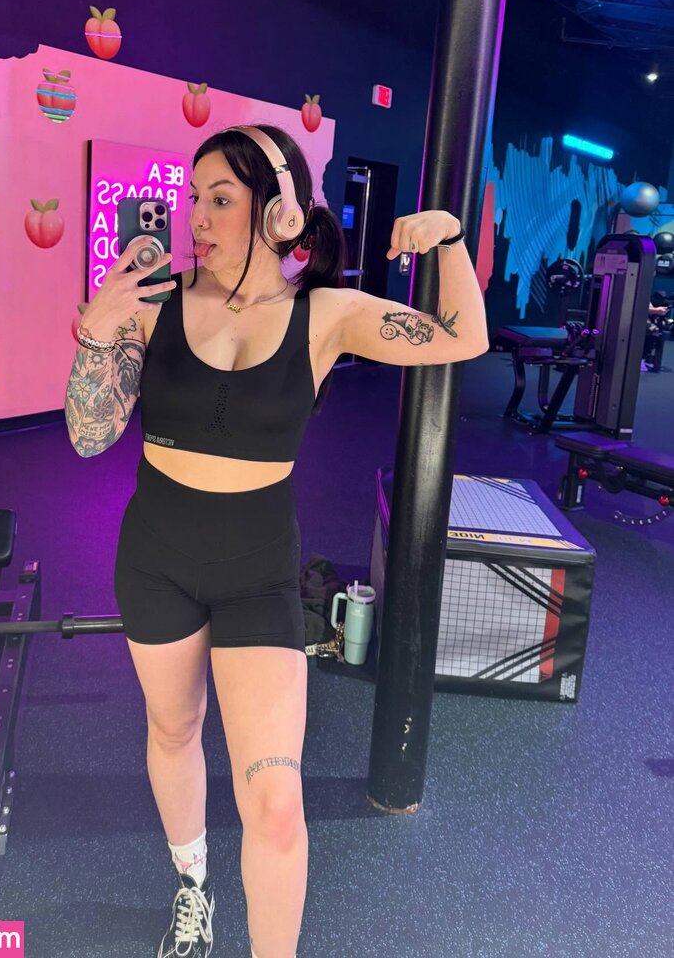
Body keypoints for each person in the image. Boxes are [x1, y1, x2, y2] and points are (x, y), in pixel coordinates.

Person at [65, 125, 489, 958]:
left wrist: (450, 241)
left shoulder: (325, 314)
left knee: (276, 806)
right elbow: (89, 437)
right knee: (174, 732)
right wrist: (97, 333)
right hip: (154, 560)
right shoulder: (153, 306)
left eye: (220, 199)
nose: (198, 217)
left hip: (256, 572)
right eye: (194, 198)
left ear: (280, 211)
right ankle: (193, 886)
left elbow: (460, 336)